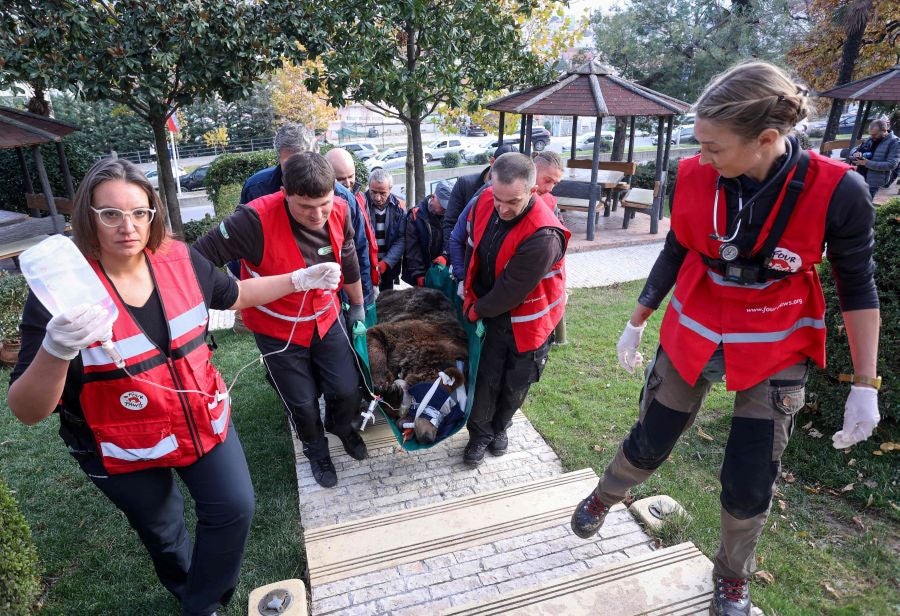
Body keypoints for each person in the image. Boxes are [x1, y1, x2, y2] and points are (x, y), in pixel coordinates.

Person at [568, 62, 881, 616]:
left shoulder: (839, 191)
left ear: (766, 139)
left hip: (776, 333)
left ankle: (732, 577)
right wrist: (638, 318)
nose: (702, 158)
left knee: (749, 472)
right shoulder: (695, 176)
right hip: (698, 323)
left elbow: (857, 286)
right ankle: (606, 494)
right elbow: (677, 249)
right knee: (651, 440)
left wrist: (865, 383)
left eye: (714, 147)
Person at [7, 158, 336, 616]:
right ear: (88, 215)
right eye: (111, 214)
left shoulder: (179, 259)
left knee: (235, 508)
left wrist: (299, 279)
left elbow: (235, 295)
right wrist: (57, 349)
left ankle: (201, 605)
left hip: (198, 418)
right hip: (119, 445)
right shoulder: (62, 292)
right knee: (163, 532)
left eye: (140, 212)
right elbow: (26, 409)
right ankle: (188, 589)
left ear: (153, 213)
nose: (128, 226)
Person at [194, 152, 368, 489]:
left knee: (347, 388)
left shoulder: (343, 209)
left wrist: (358, 306)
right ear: (285, 193)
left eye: (325, 204)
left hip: (325, 318)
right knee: (301, 402)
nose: (317, 215)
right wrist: (230, 296)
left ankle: (340, 424)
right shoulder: (253, 220)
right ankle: (316, 449)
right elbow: (196, 257)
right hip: (278, 328)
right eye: (306, 207)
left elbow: (348, 260)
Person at [460, 153, 569, 467]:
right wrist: (467, 291)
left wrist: (475, 310)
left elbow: (510, 290)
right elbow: (472, 246)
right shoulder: (485, 202)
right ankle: (479, 435)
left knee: (515, 383)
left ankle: (500, 427)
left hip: (528, 321)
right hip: (492, 312)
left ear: (532, 192)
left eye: (514, 202)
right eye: (498, 199)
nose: (503, 209)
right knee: (485, 379)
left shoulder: (544, 235)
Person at [239, 124, 374, 307]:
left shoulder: (343, 197)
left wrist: (362, 305)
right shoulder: (256, 189)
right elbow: (239, 245)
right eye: (290, 164)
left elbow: (358, 253)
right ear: (278, 158)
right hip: (276, 300)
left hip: (329, 299)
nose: (299, 171)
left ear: (316, 154)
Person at [442, 144, 518, 256]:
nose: (507, 176)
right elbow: (450, 223)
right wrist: (454, 258)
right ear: (492, 162)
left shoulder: (516, 191)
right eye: (503, 169)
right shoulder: (464, 184)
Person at [325, 147, 379, 292]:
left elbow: (368, 237)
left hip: (367, 276)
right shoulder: (326, 208)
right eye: (340, 179)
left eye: (351, 176)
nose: (348, 183)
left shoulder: (361, 197)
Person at [360, 168, 406, 291]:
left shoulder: (399, 207)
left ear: (390, 190)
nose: (377, 197)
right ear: (368, 187)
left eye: (382, 193)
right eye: (373, 192)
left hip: (388, 265)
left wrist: (386, 262)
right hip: (365, 266)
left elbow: (401, 238)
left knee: (386, 301)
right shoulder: (359, 204)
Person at [402, 180, 451, 287]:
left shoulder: (450, 214)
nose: (444, 209)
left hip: (441, 271)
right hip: (421, 271)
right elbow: (412, 248)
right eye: (442, 205)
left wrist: (445, 255)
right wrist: (418, 274)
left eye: (447, 206)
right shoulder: (416, 216)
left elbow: (452, 238)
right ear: (433, 197)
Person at [849, 118, 900, 199]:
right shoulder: (871, 138)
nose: (872, 137)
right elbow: (855, 150)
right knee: (852, 202)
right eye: (870, 134)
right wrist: (855, 153)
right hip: (860, 176)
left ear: (884, 130)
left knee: (864, 206)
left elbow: (892, 164)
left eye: (874, 134)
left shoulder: (895, 142)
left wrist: (866, 163)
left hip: (874, 181)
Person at [532, 150, 565, 216]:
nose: (550, 189)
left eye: (555, 183)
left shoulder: (551, 203)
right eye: (547, 180)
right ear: (533, 169)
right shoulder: (512, 198)